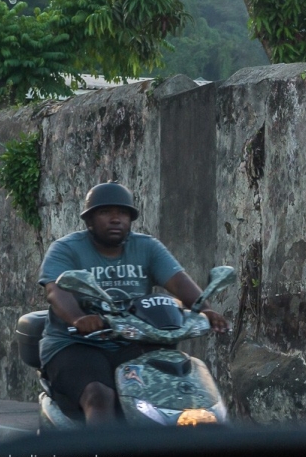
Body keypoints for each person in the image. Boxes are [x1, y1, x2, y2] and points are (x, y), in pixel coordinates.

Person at [38, 181, 229, 426]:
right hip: (77, 343)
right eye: (105, 212)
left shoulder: (146, 247)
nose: (115, 219)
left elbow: (179, 282)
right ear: (89, 221)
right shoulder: (66, 249)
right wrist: (78, 318)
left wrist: (206, 310)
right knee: (99, 395)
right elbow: (56, 291)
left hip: (134, 340)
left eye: (123, 213)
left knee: (179, 389)